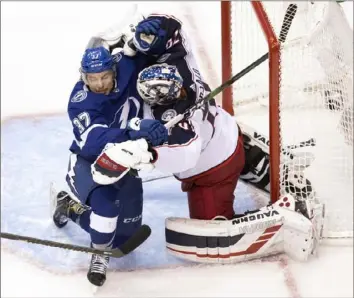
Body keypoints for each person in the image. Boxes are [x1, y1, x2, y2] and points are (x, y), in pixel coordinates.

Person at [92, 62, 325, 264]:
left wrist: (150, 155)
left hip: (214, 174)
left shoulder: (180, 125)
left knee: (211, 226)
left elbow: (187, 154)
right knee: (223, 141)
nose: (155, 95)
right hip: (231, 138)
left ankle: (286, 214)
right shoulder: (188, 73)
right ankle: (259, 160)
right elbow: (175, 36)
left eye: (159, 91)